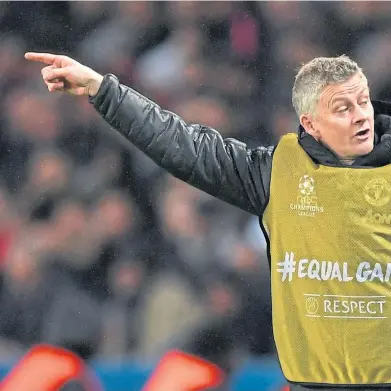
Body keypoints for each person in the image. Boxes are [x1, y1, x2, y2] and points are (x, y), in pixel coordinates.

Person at [24, 51, 391, 391]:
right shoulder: (276, 173)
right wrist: (102, 90)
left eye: (363, 101)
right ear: (310, 123)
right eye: (343, 108)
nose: (361, 115)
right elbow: (183, 144)